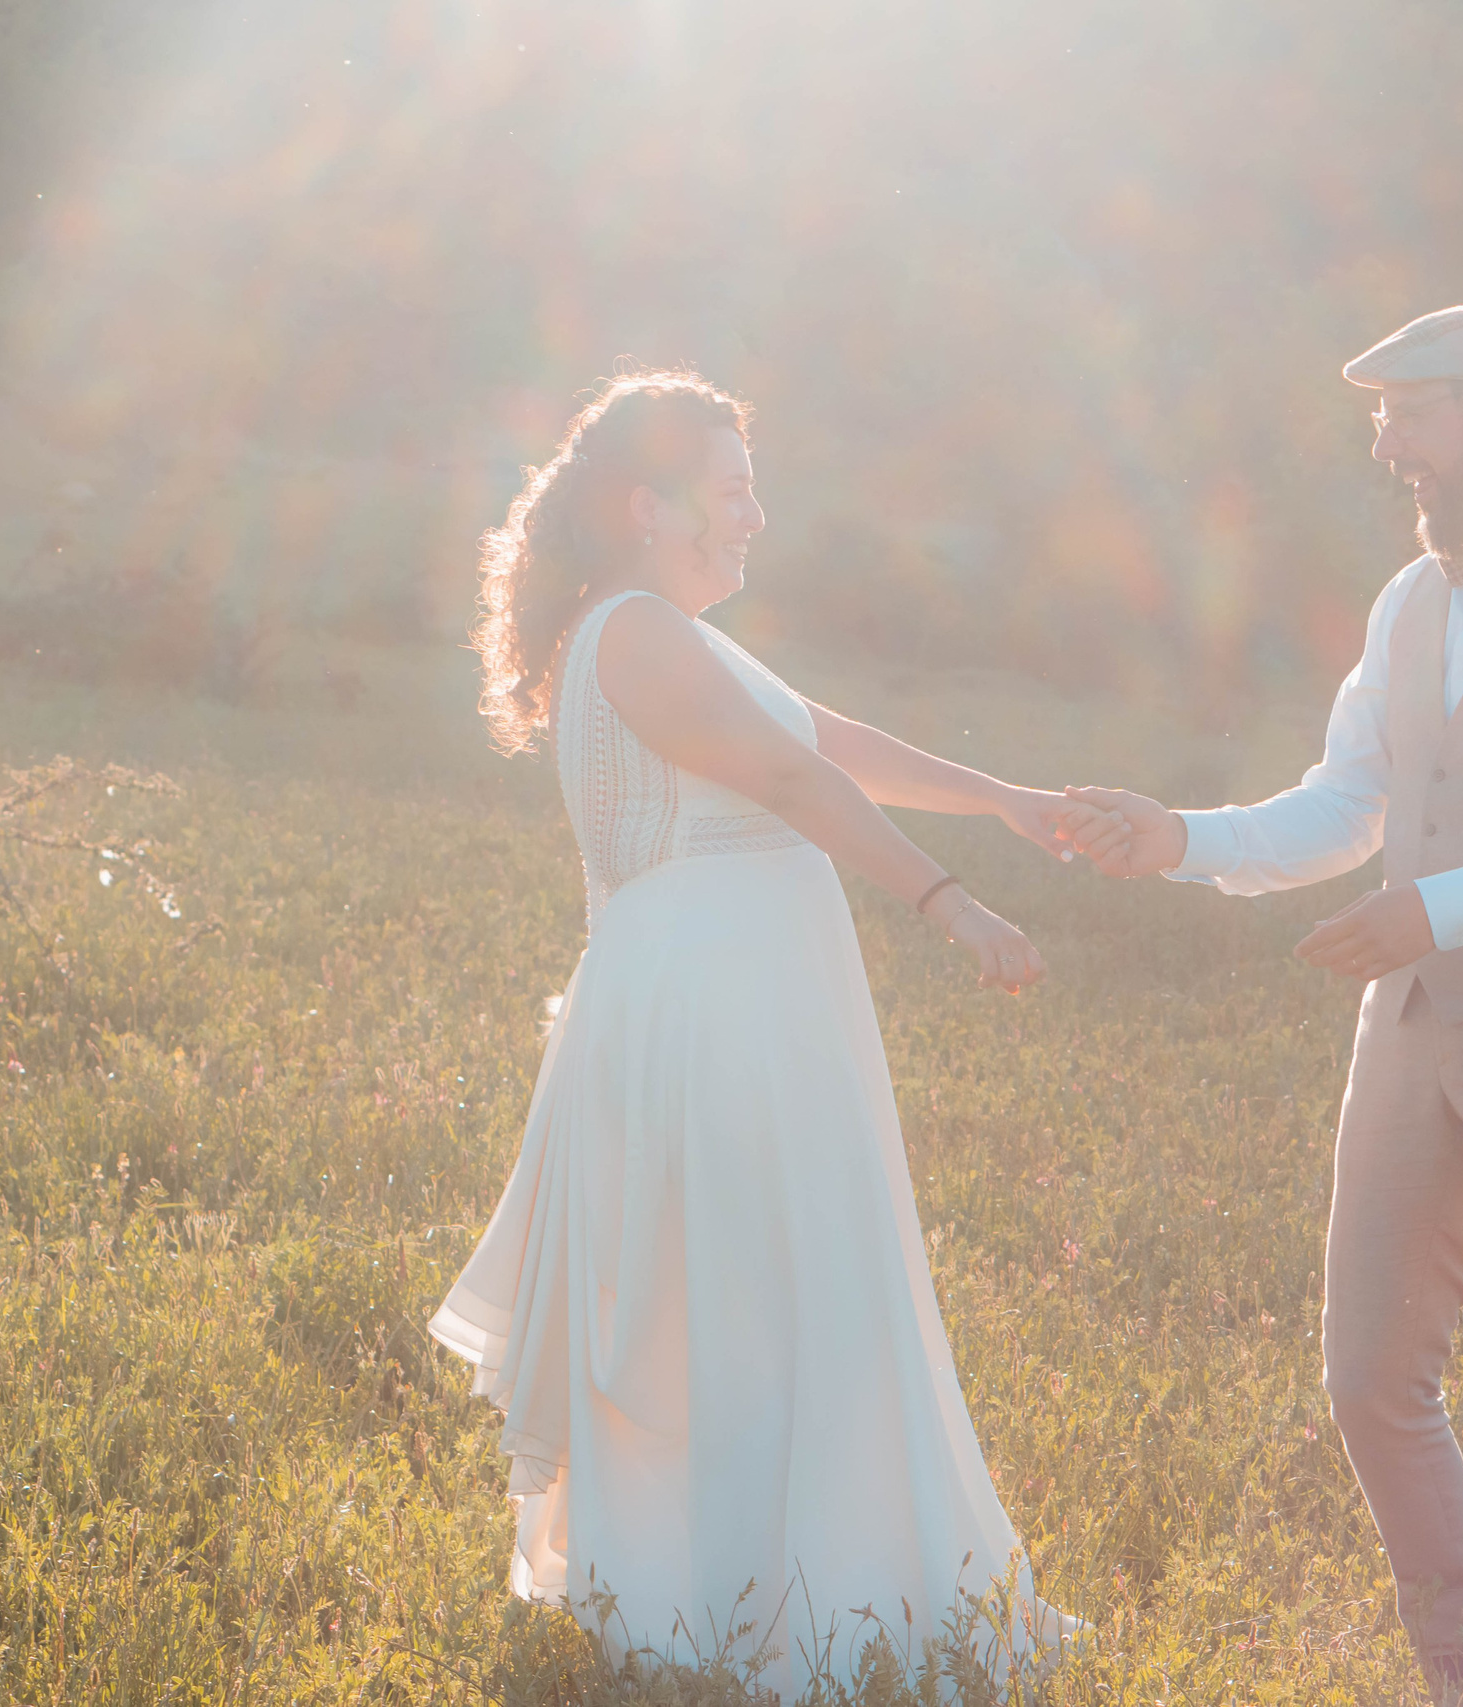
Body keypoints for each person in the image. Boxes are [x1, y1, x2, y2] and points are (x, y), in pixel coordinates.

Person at [1064, 305, 1463, 1706]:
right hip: (1414, 1019)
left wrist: (1437, 907)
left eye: (1409, 416)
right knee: (1367, 1373)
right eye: (1381, 420)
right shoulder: (1409, 599)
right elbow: (1346, 802)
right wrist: (1179, 837)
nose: (1386, 448)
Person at [430, 370, 1085, 1690]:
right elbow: (791, 776)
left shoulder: (673, 634)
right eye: (730, 492)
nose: (756, 516)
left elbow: (827, 739)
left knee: (781, 1290)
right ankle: (740, 1607)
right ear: (645, 506)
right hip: (710, 1007)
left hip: (746, 998)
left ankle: (798, 1591)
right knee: (740, 1300)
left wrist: (1007, 799)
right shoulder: (634, 631)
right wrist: (952, 906)